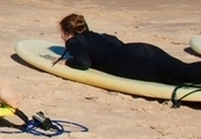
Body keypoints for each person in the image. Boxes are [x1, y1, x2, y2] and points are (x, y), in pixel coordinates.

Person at [57, 13, 201, 85]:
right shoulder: (101, 35)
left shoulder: (73, 42)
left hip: (125, 60)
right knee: (181, 67)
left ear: (66, 32)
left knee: (166, 73)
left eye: (61, 33)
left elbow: (84, 62)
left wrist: (68, 61)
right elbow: (117, 42)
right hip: (141, 48)